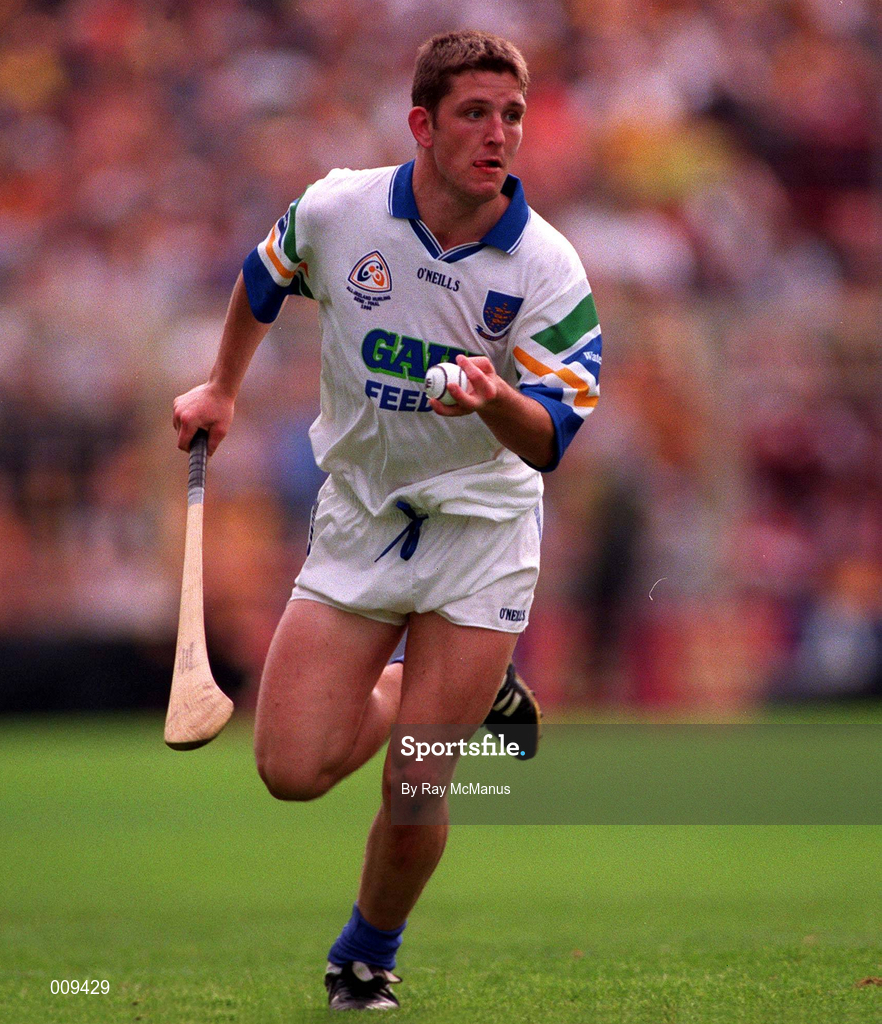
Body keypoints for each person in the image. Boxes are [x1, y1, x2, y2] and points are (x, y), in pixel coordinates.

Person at [173, 30, 601, 1012]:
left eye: (513, 115)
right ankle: (441, 687)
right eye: (475, 114)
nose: (500, 134)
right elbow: (264, 273)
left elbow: (549, 439)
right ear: (423, 123)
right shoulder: (340, 208)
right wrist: (222, 389)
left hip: (480, 537)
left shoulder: (546, 268)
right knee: (289, 769)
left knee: (416, 781)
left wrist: (493, 396)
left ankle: (366, 954)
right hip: (362, 520)